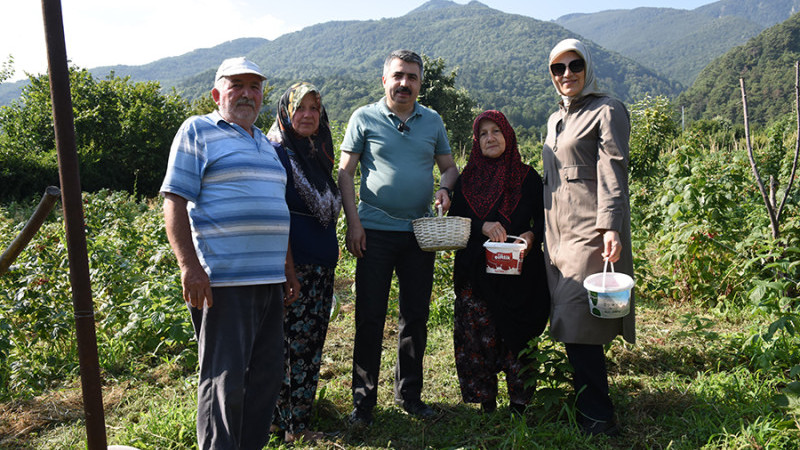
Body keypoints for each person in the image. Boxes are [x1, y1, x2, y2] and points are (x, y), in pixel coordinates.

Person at [160, 56, 300, 449]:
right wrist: (189, 267)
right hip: (222, 281)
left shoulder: (268, 146)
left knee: (265, 379)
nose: (247, 94)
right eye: (236, 85)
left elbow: (277, 210)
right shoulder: (198, 130)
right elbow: (174, 200)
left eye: (254, 86)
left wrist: (287, 269)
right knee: (225, 382)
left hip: (268, 281)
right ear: (216, 93)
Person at [338, 49, 459, 426]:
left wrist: (446, 189)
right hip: (373, 232)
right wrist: (353, 223)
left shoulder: (432, 121)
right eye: (398, 76)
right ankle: (364, 402)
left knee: (415, 318)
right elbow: (345, 174)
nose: (404, 83)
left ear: (421, 83)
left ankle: (410, 395)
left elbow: (450, 167)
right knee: (369, 317)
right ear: (385, 80)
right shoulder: (364, 117)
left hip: (420, 234)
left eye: (412, 77)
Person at [542, 39, 635, 436]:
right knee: (571, 318)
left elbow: (614, 170)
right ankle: (585, 401)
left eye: (574, 65)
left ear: (588, 67)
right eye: (558, 68)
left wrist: (610, 225)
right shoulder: (554, 119)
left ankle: (598, 417)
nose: (567, 74)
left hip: (588, 229)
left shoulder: (607, 110)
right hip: (555, 232)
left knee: (577, 316)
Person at [449, 110, 550, 415]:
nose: (490, 138)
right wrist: (482, 225)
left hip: (520, 273)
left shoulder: (527, 177)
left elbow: (546, 218)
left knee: (518, 336)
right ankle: (486, 404)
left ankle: (520, 404)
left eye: (496, 131)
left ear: (508, 135)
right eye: (483, 133)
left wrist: (532, 236)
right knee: (478, 338)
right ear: (476, 141)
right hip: (477, 273)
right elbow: (456, 219)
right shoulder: (467, 180)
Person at [266, 82, 341, 443]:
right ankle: (284, 425)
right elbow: (274, 216)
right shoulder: (277, 155)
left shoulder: (318, 156)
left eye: (315, 109)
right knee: (287, 347)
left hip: (321, 270)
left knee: (309, 347)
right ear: (285, 113)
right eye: (300, 108)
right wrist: (288, 269)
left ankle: (298, 421)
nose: (308, 115)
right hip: (294, 270)